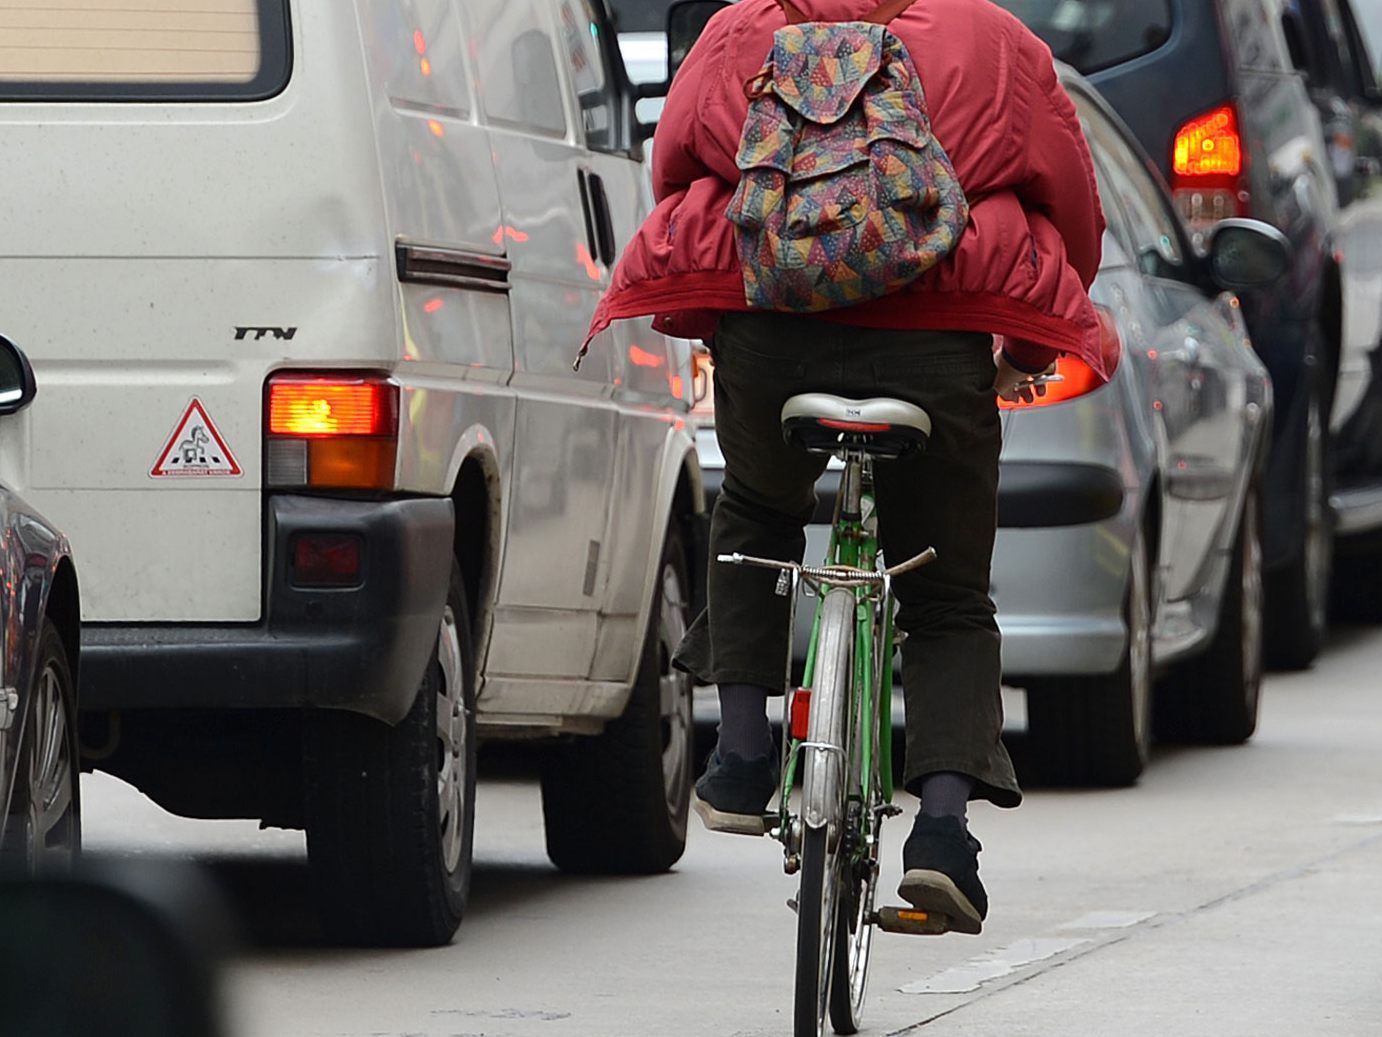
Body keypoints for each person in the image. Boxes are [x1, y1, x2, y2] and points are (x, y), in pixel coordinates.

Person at [584, 0, 1107, 933]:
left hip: (774, 332)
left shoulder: (738, 29)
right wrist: (1019, 361)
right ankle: (942, 837)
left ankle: (742, 754)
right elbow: (1071, 205)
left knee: (754, 507)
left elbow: (678, 170)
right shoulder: (992, 38)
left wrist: (718, 315)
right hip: (939, 334)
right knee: (946, 593)